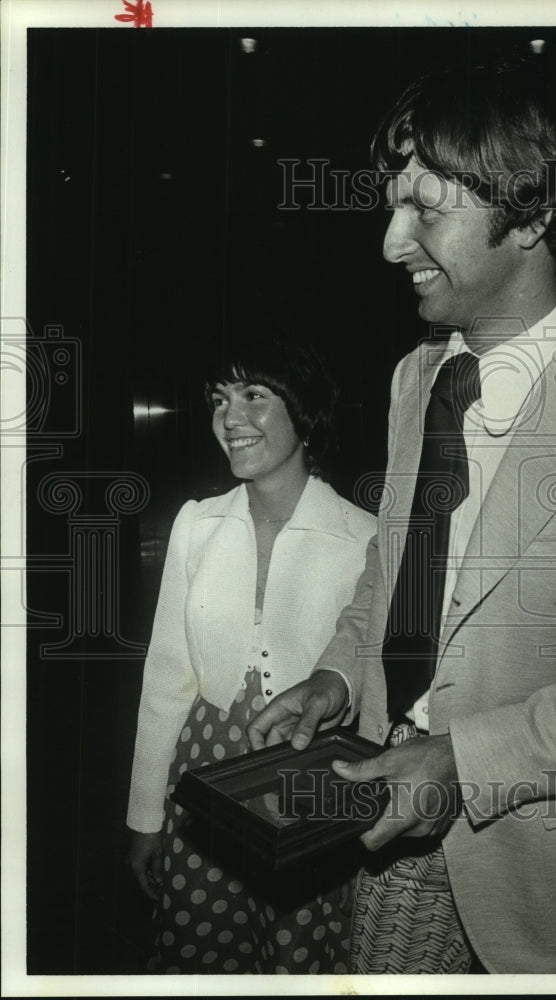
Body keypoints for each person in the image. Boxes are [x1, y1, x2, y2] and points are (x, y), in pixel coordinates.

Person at [248, 59, 556, 974]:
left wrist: (465, 760)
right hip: (386, 819)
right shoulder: (413, 378)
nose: (392, 242)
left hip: (541, 878)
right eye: (393, 204)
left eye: (426, 209)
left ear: (534, 215)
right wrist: (338, 679)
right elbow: (392, 578)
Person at [126, 334, 376, 974]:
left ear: (305, 409)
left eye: (254, 396)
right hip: (204, 776)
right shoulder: (196, 524)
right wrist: (146, 815)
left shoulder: (365, 537)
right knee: (201, 949)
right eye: (219, 399)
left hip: (308, 779)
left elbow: (372, 692)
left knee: (297, 956)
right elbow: (166, 681)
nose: (230, 418)